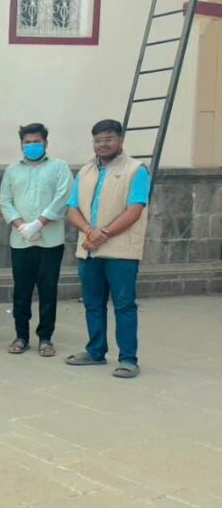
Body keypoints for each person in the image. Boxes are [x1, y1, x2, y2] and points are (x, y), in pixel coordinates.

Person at [65, 119, 150, 379]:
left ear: (120, 140)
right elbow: (72, 209)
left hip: (121, 252)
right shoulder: (85, 171)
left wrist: (101, 234)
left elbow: (134, 210)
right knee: (93, 303)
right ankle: (95, 351)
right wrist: (88, 231)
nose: (102, 144)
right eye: (98, 140)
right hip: (89, 250)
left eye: (108, 139)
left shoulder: (136, 170)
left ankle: (128, 359)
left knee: (124, 305)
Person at [0, 123, 73, 357]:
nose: (32, 146)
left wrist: (39, 223)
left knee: (48, 290)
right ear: (21, 145)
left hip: (50, 241)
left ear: (46, 143)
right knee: (21, 291)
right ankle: (21, 336)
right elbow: (5, 201)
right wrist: (21, 226)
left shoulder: (59, 167)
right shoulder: (12, 171)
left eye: (36, 142)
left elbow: (64, 197)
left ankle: (45, 338)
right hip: (21, 241)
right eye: (27, 143)